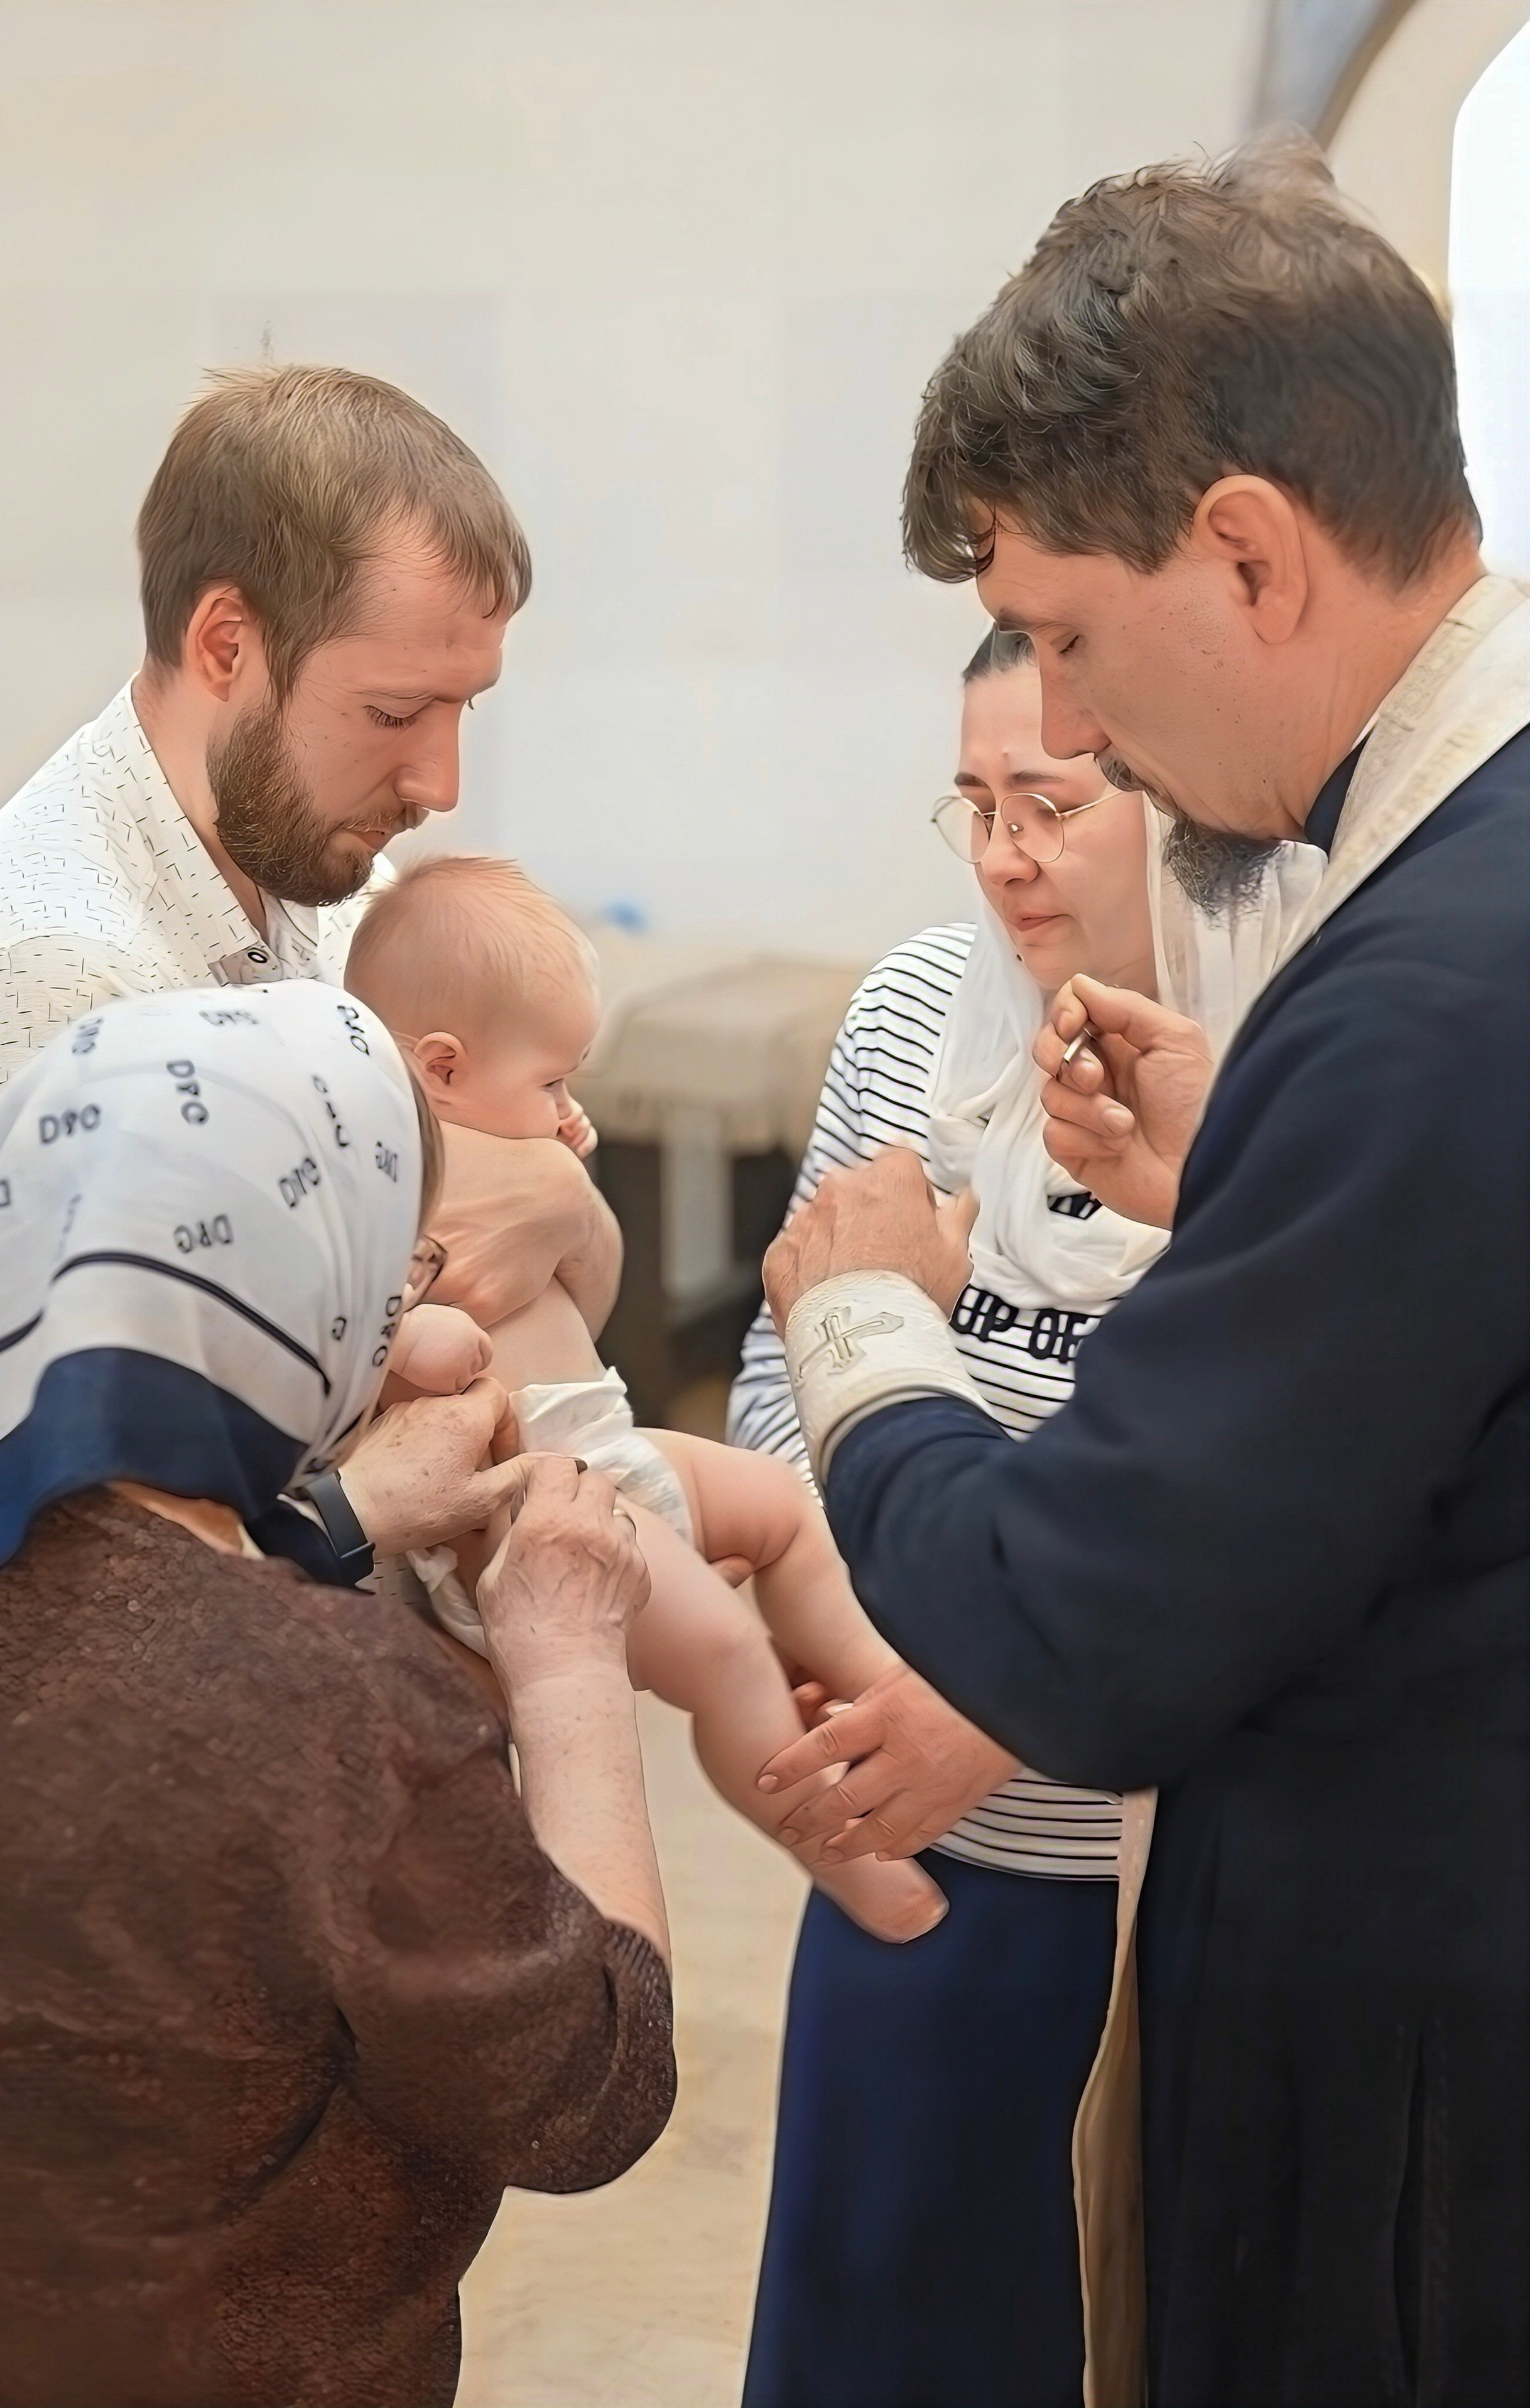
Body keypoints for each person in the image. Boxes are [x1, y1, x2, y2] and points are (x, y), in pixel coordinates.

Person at [755, 136, 1528, 2405]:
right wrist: (1259, 1182)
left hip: (1419, 2119)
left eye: (1074, 640)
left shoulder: (1429, 991)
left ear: (1254, 553)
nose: (1068, 733)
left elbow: (1072, 1630)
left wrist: (867, 1312)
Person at [0, 981, 675, 2408]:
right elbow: (588, 2087)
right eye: (396, 1263)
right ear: (299, 1286)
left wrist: (333, 1518)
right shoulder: (342, 1712)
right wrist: (571, 1664)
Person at [729, 627, 1319, 2408]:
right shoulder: (918, 1007)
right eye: (974, 804)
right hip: (917, 1861)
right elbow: (783, 1391)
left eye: (1052, 803)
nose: (1006, 854)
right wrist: (861, 1662)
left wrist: (1004, 1697)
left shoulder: (1305, 1053)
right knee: (882, 2332)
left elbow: (1289, 1522)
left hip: (1157, 1886)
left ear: (1170, 803)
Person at [0, 361, 622, 1582]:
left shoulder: (341, 877)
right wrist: (363, 1510)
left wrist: (559, 1202)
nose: (440, 783)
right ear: (226, 643)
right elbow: (43, 1604)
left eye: (465, 708)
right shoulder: (61, 977)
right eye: (396, 712)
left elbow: (567, 1284)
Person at [344, 852, 999, 1942]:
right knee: (730, 1660)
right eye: (551, 1082)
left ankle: (884, 1686)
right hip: (533, 1515)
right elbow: (370, 1342)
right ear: (443, 1067)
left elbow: (580, 1301)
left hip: (606, 1445)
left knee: (784, 1508)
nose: (569, 1106)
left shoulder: (492, 1146)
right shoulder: (382, 1181)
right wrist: (429, 1332)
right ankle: (838, 1855)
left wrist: (556, 1158)